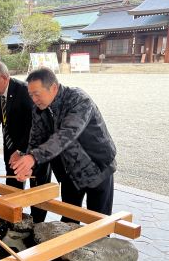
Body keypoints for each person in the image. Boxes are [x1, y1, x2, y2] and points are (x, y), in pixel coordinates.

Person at [11, 68, 117, 218]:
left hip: (96, 167)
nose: (34, 99)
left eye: (37, 94)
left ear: (53, 87)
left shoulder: (79, 99)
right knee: (69, 219)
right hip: (68, 172)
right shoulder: (39, 109)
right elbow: (36, 139)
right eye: (31, 95)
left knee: (99, 220)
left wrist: (33, 157)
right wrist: (29, 165)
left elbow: (66, 134)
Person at [0, 60, 49, 222]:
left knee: (37, 188)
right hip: (11, 146)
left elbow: (35, 126)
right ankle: (14, 219)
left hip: (35, 149)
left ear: (4, 77)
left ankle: (37, 224)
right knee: (12, 183)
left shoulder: (25, 92)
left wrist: (21, 151)